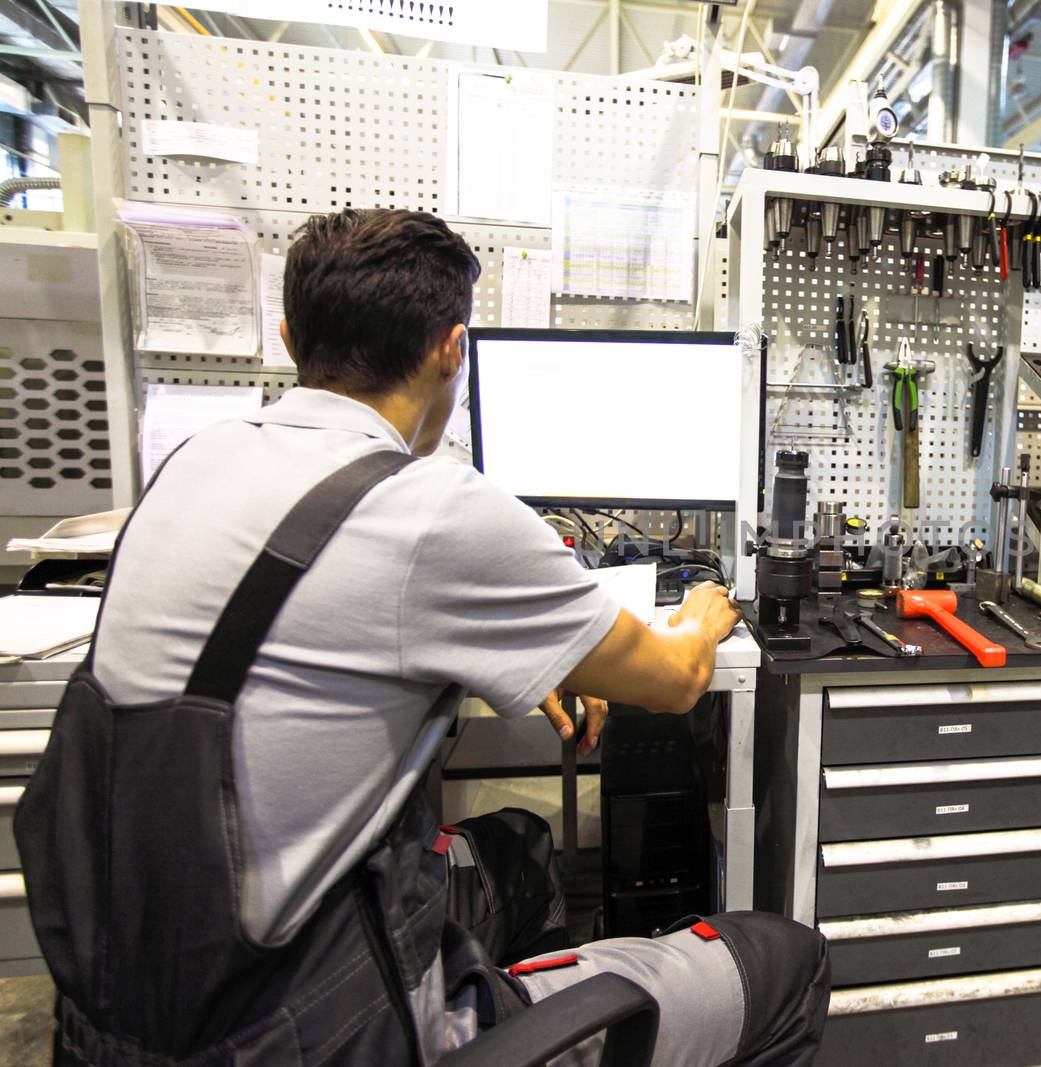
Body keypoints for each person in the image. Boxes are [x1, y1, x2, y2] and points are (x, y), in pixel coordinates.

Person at [16, 208, 829, 1065]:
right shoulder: (432, 510)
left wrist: (528, 648)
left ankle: (506, 1002)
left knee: (524, 846)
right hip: (314, 1035)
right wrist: (701, 611)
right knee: (788, 964)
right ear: (452, 349)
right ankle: (479, 1032)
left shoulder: (193, 465)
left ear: (291, 337)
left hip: (128, 1018)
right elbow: (672, 681)